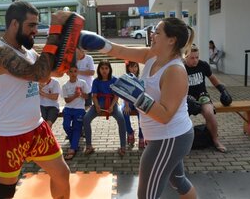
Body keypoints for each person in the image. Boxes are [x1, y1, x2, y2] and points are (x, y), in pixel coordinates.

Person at [77, 17, 197, 198]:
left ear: (171, 40)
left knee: (146, 195)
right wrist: (99, 43)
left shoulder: (175, 71)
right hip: (165, 137)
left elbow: (165, 115)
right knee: (178, 181)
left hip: (170, 138)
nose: (152, 35)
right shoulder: (151, 56)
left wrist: (137, 96)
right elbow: (120, 50)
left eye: (157, 32)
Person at [0, 1, 72, 199]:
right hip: (8, 135)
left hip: (37, 129)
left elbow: (52, 72)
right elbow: (39, 74)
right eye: (31, 25)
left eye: (37, 25)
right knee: (6, 192)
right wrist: (55, 30)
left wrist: (67, 49)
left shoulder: (29, 52)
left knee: (62, 174)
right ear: (14, 23)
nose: (36, 30)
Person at [184, 44, 229, 153]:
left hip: (201, 95)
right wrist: (186, 98)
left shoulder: (203, 65)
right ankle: (182, 143)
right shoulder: (180, 67)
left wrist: (222, 90)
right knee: (181, 118)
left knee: (209, 113)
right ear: (185, 57)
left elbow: (212, 78)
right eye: (192, 58)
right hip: (185, 97)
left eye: (197, 57)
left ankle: (215, 140)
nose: (195, 60)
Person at [83, 60, 127, 156]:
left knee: (121, 119)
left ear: (110, 69)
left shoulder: (114, 80)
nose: (104, 70)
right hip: (99, 103)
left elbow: (116, 96)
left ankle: (123, 146)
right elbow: (94, 96)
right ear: (99, 69)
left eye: (106, 68)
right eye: (102, 68)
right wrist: (97, 106)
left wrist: (111, 106)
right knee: (86, 119)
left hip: (112, 104)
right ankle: (89, 146)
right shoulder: (96, 81)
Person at [61, 65, 89, 160]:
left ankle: (73, 148)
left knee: (77, 128)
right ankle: (75, 141)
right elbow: (67, 101)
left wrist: (81, 93)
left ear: (77, 72)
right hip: (68, 109)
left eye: (75, 71)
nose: (73, 74)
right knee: (66, 126)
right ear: (67, 73)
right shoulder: (65, 85)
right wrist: (75, 95)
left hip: (79, 109)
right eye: (71, 72)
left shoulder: (82, 83)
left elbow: (87, 97)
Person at [121, 61, 145, 149]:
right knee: (123, 112)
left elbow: (143, 93)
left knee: (142, 114)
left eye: (135, 66)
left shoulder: (140, 79)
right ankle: (130, 132)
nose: (133, 69)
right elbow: (124, 94)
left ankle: (142, 136)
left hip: (138, 102)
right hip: (128, 102)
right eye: (131, 67)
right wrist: (126, 106)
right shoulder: (125, 79)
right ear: (128, 68)